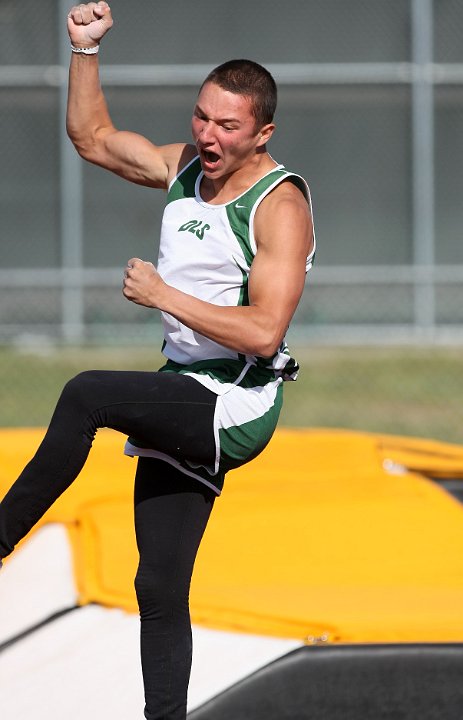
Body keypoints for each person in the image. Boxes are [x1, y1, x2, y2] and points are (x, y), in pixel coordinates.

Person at [0, 2, 315, 718]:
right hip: (185, 391)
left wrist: (164, 294)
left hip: (236, 402)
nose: (206, 134)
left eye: (227, 125)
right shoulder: (183, 168)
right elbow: (94, 139)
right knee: (159, 589)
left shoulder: (278, 204)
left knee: (88, 396)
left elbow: (265, 332)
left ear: (262, 133)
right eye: (201, 116)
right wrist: (83, 50)